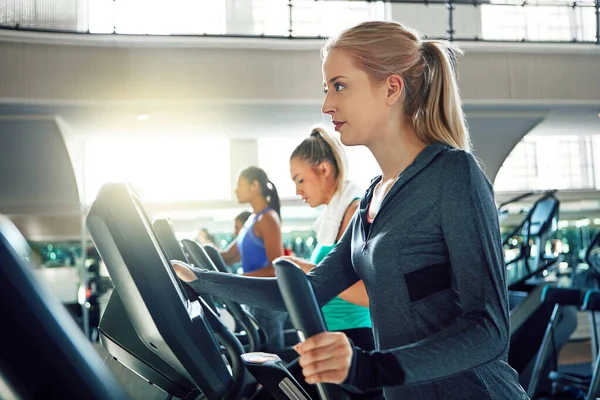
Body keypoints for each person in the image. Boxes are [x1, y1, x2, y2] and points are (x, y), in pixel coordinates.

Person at [173, 21, 528, 399]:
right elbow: (306, 290)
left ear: (392, 88)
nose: (327, 105)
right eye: (326, 90)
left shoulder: (453, 174)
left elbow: (489, 328)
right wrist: (199, 280)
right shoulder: (373, 200)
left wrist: (370, 367)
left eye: (340, 86)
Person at [218, 166, 288, 353]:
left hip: (268, 300)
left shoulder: (268, 218)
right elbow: (228, 256)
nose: (235, 190)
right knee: (258, 353)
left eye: (240, 185)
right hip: (255, 299)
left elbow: (276, 268)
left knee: (272, 355)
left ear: (255, 186)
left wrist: (241, 279)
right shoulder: (251, 221)